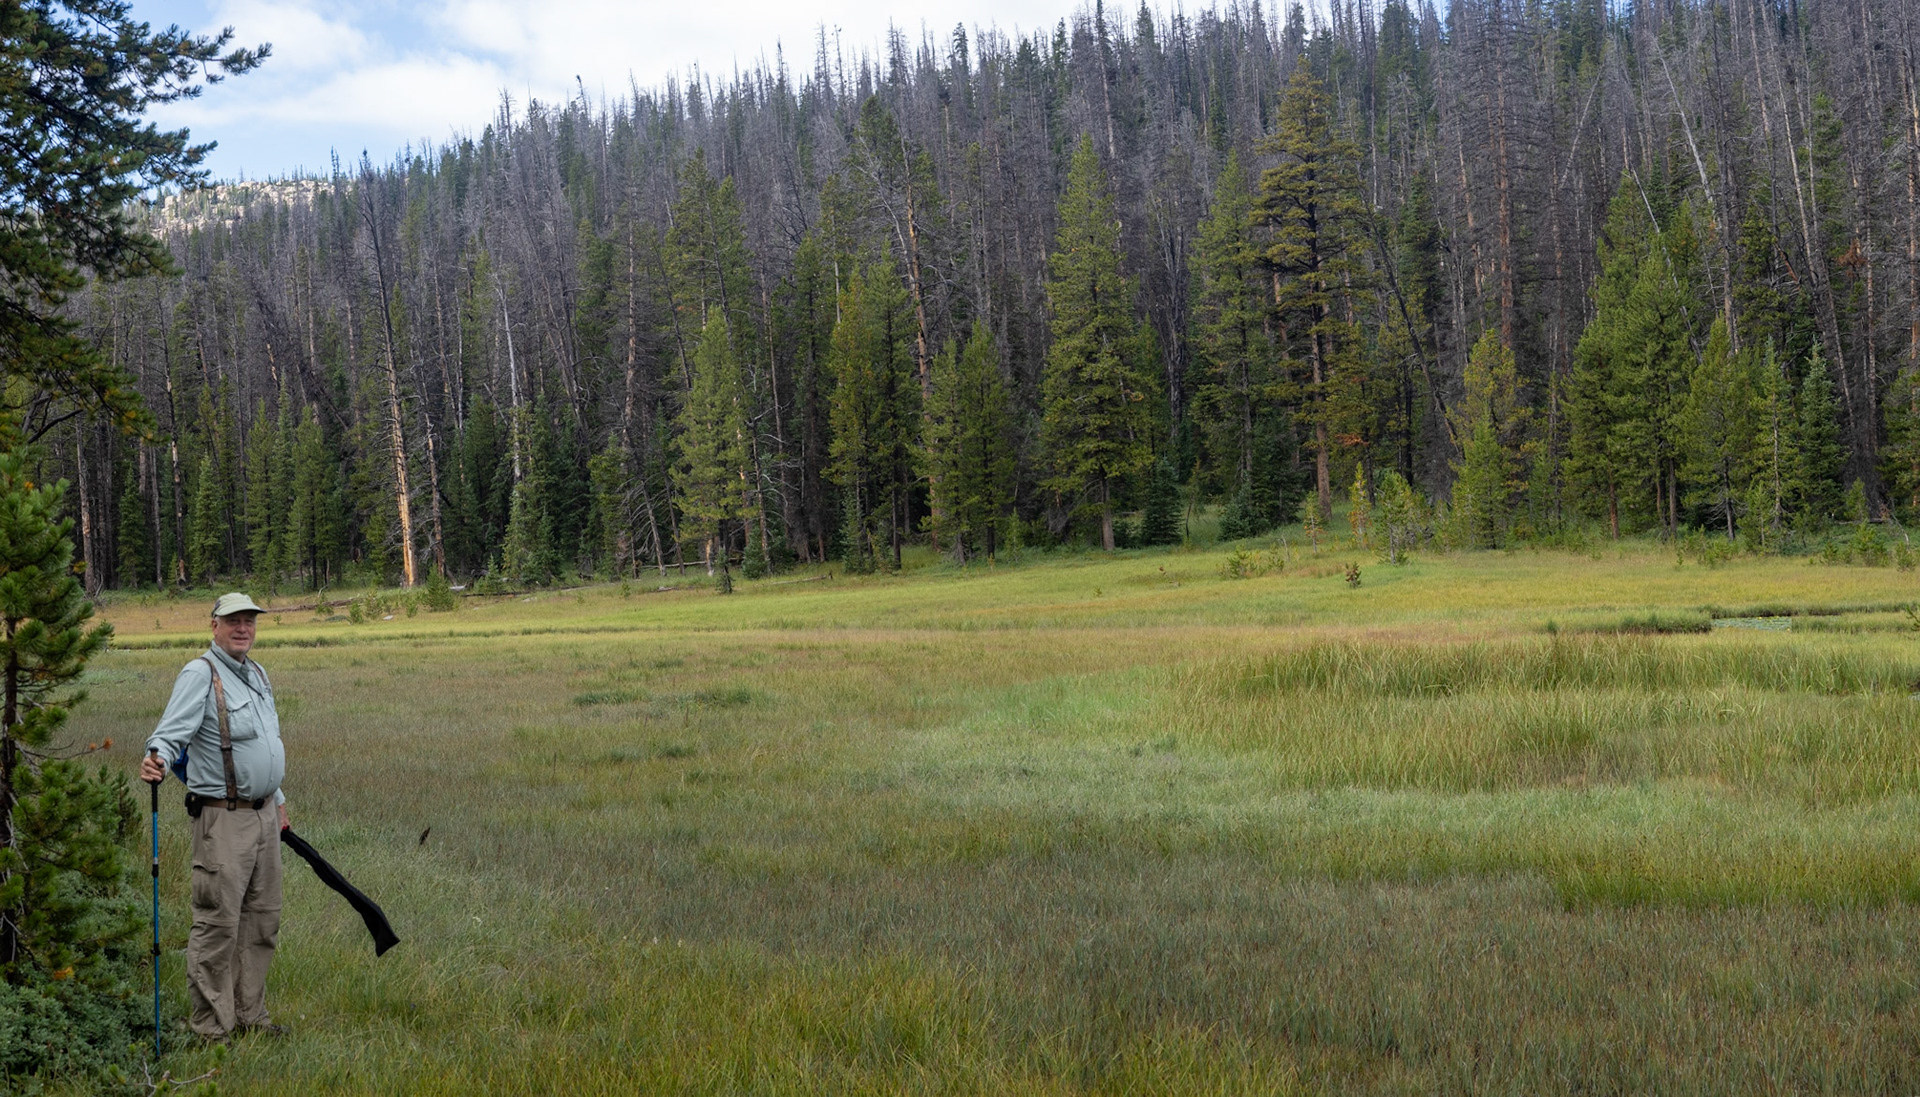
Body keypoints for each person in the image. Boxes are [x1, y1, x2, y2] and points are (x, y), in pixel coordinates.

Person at [140, 592, 289, 1042]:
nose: (243, 628)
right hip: (223, 820)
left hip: (264, 816)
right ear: (214, 626)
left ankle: (250, 1017)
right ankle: (210, 1029)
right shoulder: (200, 674)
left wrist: (277, 797)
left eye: (249, 621)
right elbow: (169, 734)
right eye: (233, 621)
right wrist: (157, 759)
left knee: (261, 921)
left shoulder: (257, 673)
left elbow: (264, 741)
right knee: (217, 923)